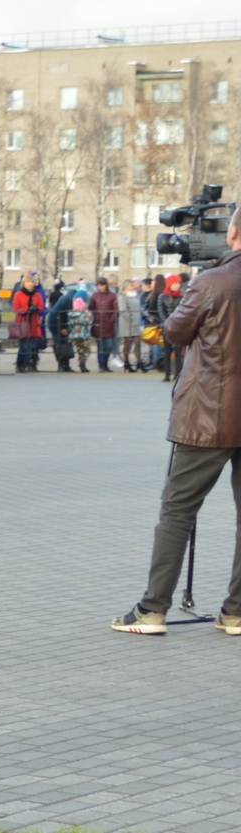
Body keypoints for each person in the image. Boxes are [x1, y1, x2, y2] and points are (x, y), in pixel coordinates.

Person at [115, 214, 241, 634]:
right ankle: (236, 611)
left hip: (210, 413)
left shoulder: (212, 281)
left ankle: (152, 610)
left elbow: (174, 331)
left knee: (178, 510)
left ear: (233, 233)